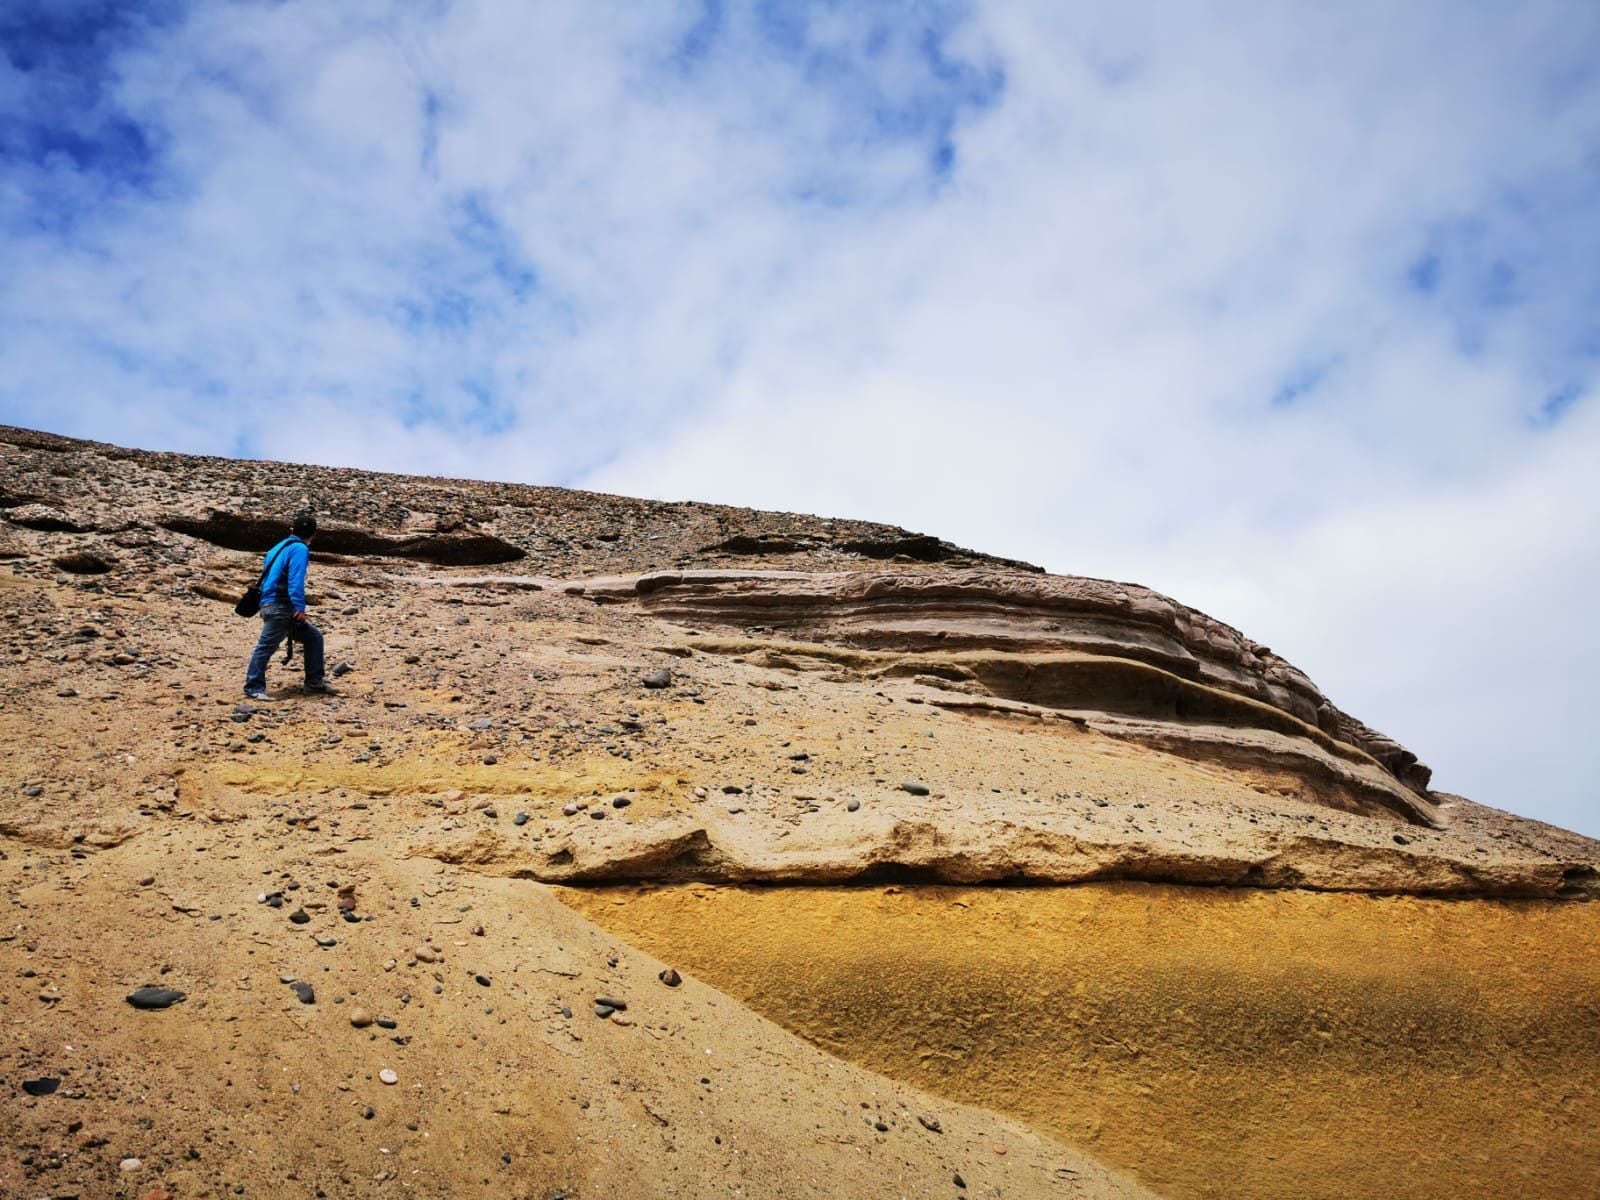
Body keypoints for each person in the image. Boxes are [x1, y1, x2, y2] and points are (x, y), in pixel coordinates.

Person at [244, 510, 337, 700]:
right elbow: (296, 581)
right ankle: (253, 687)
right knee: (266, 646)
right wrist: (299, 608)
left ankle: (314, 683)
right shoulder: (300, 549)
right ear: (314, 534)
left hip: (268, 603)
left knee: (313, 638)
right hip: (281, 606)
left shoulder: (277, 548)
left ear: (291, 529)